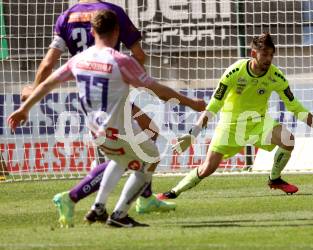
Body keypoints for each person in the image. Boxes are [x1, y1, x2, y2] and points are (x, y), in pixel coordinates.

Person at [9, 9, 205, 227]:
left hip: (97, 132)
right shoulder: (120, 61)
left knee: (119, 160)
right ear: (117, 31)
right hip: (118, 130)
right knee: (150, 158)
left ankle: (98, 207)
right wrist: (191, 103)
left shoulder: (78, 60)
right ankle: (120, 215)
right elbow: (156, 89)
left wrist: (25, 108)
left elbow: (46, 84)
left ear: (93, 32)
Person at [158, 33, 313, 199]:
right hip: (230, 126)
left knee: (288, 139)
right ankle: (172, 192)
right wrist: (193, 133)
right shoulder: (234, 71)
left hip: (259, 123)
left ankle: (274, 179)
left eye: (271, 55)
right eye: (264, 54)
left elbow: (296, 108)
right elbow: (214, 105)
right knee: (207, 168)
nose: (268, 59)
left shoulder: (276, 76)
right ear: (253, 54)